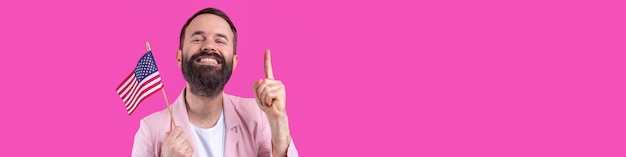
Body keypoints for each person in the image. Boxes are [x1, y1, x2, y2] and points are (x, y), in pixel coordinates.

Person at [131, 7, 298, 157]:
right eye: (197, 39)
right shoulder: (150, 130)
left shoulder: (257, 117)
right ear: (179, 57)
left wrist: (279, 121)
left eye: (220, 41)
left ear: (234, 62)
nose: (209, 46)